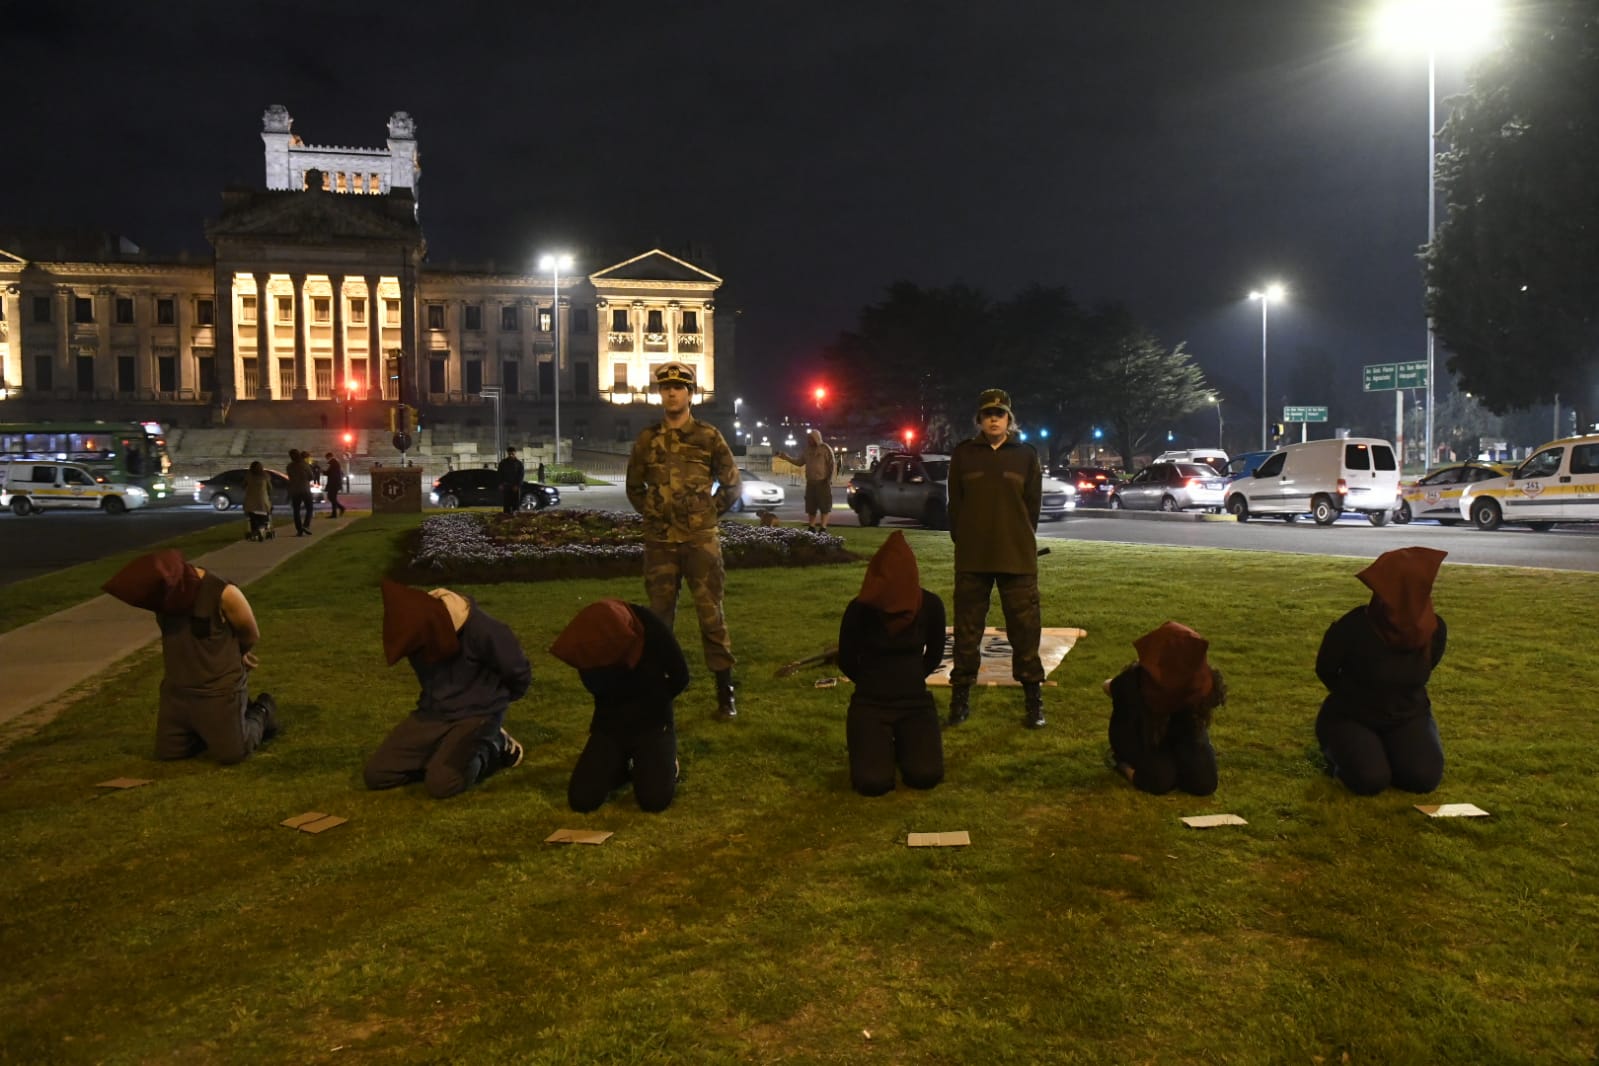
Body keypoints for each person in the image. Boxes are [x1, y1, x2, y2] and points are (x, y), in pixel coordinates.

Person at [625, 361, 742, 720]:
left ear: (691, 394)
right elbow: (634, 486)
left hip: (699, 543)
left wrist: (708, 513)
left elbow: (732, 482)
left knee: (711, 616)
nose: (672, 393)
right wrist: (654, 512)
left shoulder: (708, 436)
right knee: (659, 621)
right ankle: (658, 693)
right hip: (661, 543)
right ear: (660, 393)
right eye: (665, 387)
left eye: (678, 387)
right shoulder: (648, 439)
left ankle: (726, 693)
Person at [102, 549, 279, 764]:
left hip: (218, 691)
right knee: (169, 754)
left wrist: (238, 654)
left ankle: (261, 710)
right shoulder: (164, 599)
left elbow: (250, 632)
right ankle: (206, 730)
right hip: (178, 693)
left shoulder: (223, 592)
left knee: (233, 753)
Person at [363, 579, 531, 799]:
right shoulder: (416, 629)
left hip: (478, 714)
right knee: (378, 775)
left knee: (443, 784)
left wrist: (494, 704)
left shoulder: (482, 629)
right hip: (434, 713)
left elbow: (517, 671)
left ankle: (495, 747)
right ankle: (443, 755)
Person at [946, 387, 1046, 729]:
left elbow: (1031, 508)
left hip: (1016, 558)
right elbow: (955, 506)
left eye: (999, 413)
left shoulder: (1026, 456)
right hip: (973, 558)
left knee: (1025, 631)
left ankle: (1033, 700)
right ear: (979, 419)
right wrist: (968, 538)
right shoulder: (963, 455)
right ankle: (960, 699)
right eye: (988, 413)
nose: (993, 419)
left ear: (1009, 419)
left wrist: (1017, 537)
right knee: (966, 631)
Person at [1315, 547, 1449, 796]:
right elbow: (1326, 669)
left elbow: (1425, 668)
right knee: (1370, 780)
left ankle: (1387, 750)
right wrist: (1355, 697)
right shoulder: (1355, 626)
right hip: (1352, 716)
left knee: (1422, 778)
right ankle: (1344, 749)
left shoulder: (1434, 631)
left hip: (1408, 715)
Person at [553, 598, 689, 814]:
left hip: (651, 723)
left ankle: (664, 761)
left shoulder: (651, 627)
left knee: (654, 800)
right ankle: (624, 764)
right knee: (582, 800)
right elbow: (597, 687)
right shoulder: (590, 641)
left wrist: (655, 705)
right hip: (610, 725)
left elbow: (680, 676)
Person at [837, 531, 945, 796]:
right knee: (873, 783)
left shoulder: (930, 605)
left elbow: (935, 654)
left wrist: (911, 678)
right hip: (870, 705)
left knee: (925, 775)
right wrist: (872, 682)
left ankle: (903, 746)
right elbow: (846, 658)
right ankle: (881, 747)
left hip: (914, 704)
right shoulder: (860, 609)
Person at [1105, 622, 1222, 796]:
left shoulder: (1201, 681)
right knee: (1159, 779)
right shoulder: (1136, 681)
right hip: (1144, 734)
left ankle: (1178, 761)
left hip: (1183, 730)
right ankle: (1121, 763)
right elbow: (1109, 687)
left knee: (1204, 783)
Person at [779, 429, 837, 532]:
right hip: (811, 483)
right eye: (808, 438)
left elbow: (832, 465)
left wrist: (829, 479)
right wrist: (787, 458)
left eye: (811, 438)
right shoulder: (807, 451)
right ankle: (812, 526)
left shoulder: (825, 449)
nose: (809, 440)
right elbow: (799, 462)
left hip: (823, 482)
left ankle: (823, 527)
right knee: (811, 506)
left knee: (824, 506)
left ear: (816, 438)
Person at [286, 448, 314, 536]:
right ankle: (306, 525)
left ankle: (299, 529)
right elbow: (311, 477)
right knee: (309, 508)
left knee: (296, 510)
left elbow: (290, 478)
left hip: (295, 490)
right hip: (305, 489)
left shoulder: (289, 466)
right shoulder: (304, 465)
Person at [243, 460, 273, 541]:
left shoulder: (248, 476)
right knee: (264, 518)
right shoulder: (265, 476)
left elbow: (244, 486)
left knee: (253, 519)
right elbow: (270, 488)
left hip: (250, 502)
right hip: (262, 502)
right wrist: (270, 497)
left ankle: (254, 532)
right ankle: (262, 529)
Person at [498, 447, 525, 515]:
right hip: (506, 486)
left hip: (515, 487)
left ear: (515, 453)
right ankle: (506, 516)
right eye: (509, 454)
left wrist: (517, 485)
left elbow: (521, 476)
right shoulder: (503, 463)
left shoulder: (519, 464)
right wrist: (500, 484)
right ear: (507, 453)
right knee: (506, 503)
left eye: (512, 454)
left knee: (515, 503)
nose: (511, 455)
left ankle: (515, 517)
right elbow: (499, 474)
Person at [323, 452, 346, 518]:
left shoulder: (333, 463)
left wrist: (323, 472)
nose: (327, 459)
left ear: (329, 457)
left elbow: (330, 473)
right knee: (332, 498)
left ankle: (341, 508)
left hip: (334, 484)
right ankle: (334, 514)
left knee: (331, 497)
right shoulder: (335, 462)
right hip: (335, 483)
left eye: (327, 458)